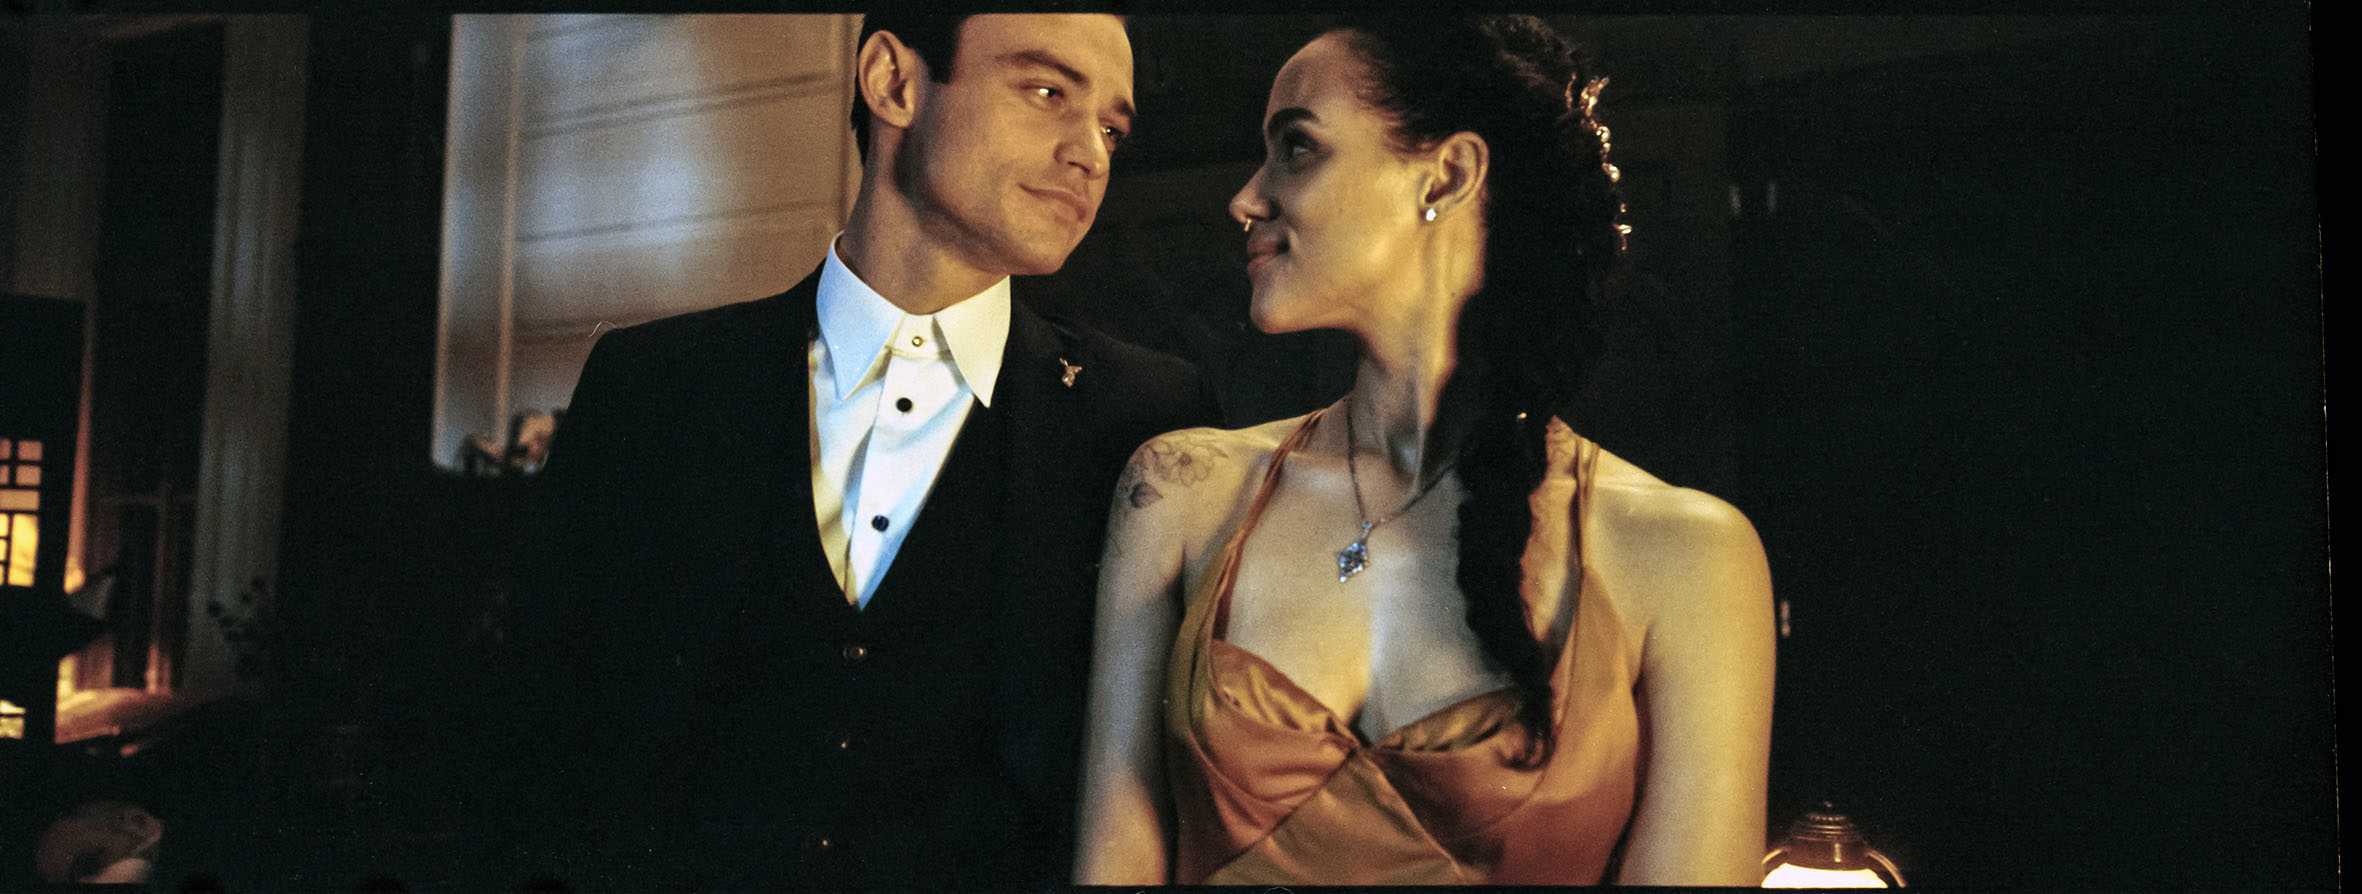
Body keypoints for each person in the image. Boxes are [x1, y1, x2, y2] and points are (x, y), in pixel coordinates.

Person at [501, 11, 1220, 888]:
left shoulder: (1149, 419)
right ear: (894, 81)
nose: (1091, 156)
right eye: (1045, 92)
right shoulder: (651, 384)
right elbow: (529, 748)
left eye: (1112, 129)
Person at [1073, 15, 1773, 885]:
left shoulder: (1686, 556)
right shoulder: (1181, 490)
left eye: (1297, 148)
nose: (1245, 199)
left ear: (1447, 175)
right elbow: (1115, 865)